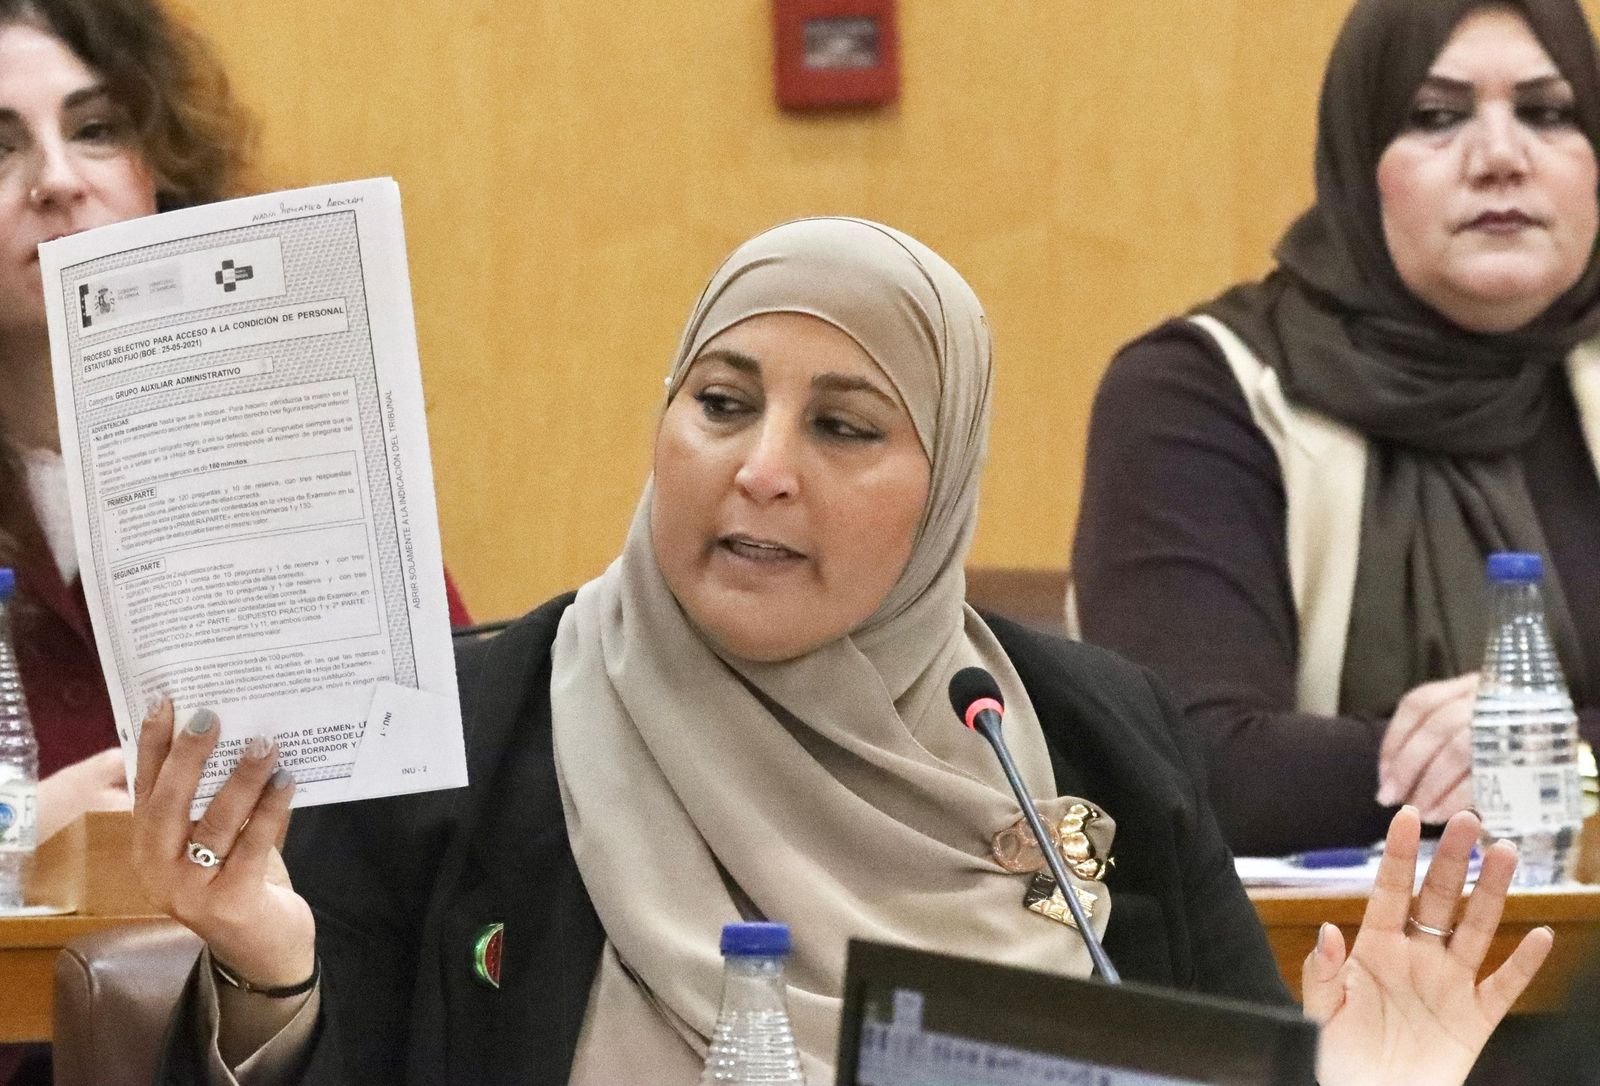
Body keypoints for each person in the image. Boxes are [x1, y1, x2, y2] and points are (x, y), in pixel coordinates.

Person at [132, 217, 1551, 1086]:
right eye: (721, 400)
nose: (759, 468)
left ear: (943, 492)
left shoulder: (1083, 734)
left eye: (845, 425)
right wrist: (266, 972)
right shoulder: (472, 729)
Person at [1071, 0, 1600, 856]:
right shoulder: (1200, 390)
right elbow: (1200, 771)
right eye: (1435, 116)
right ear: (1358, 155)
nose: (1502, 158)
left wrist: (1540, 746)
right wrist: (1530, 760)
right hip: (1307, 973)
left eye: (1548, 112)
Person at [0, 0, 472, 847]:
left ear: (165, 169)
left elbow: (450, 824)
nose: (58, 179)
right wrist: (19, 832)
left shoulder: (315, 467)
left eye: (99, 128)